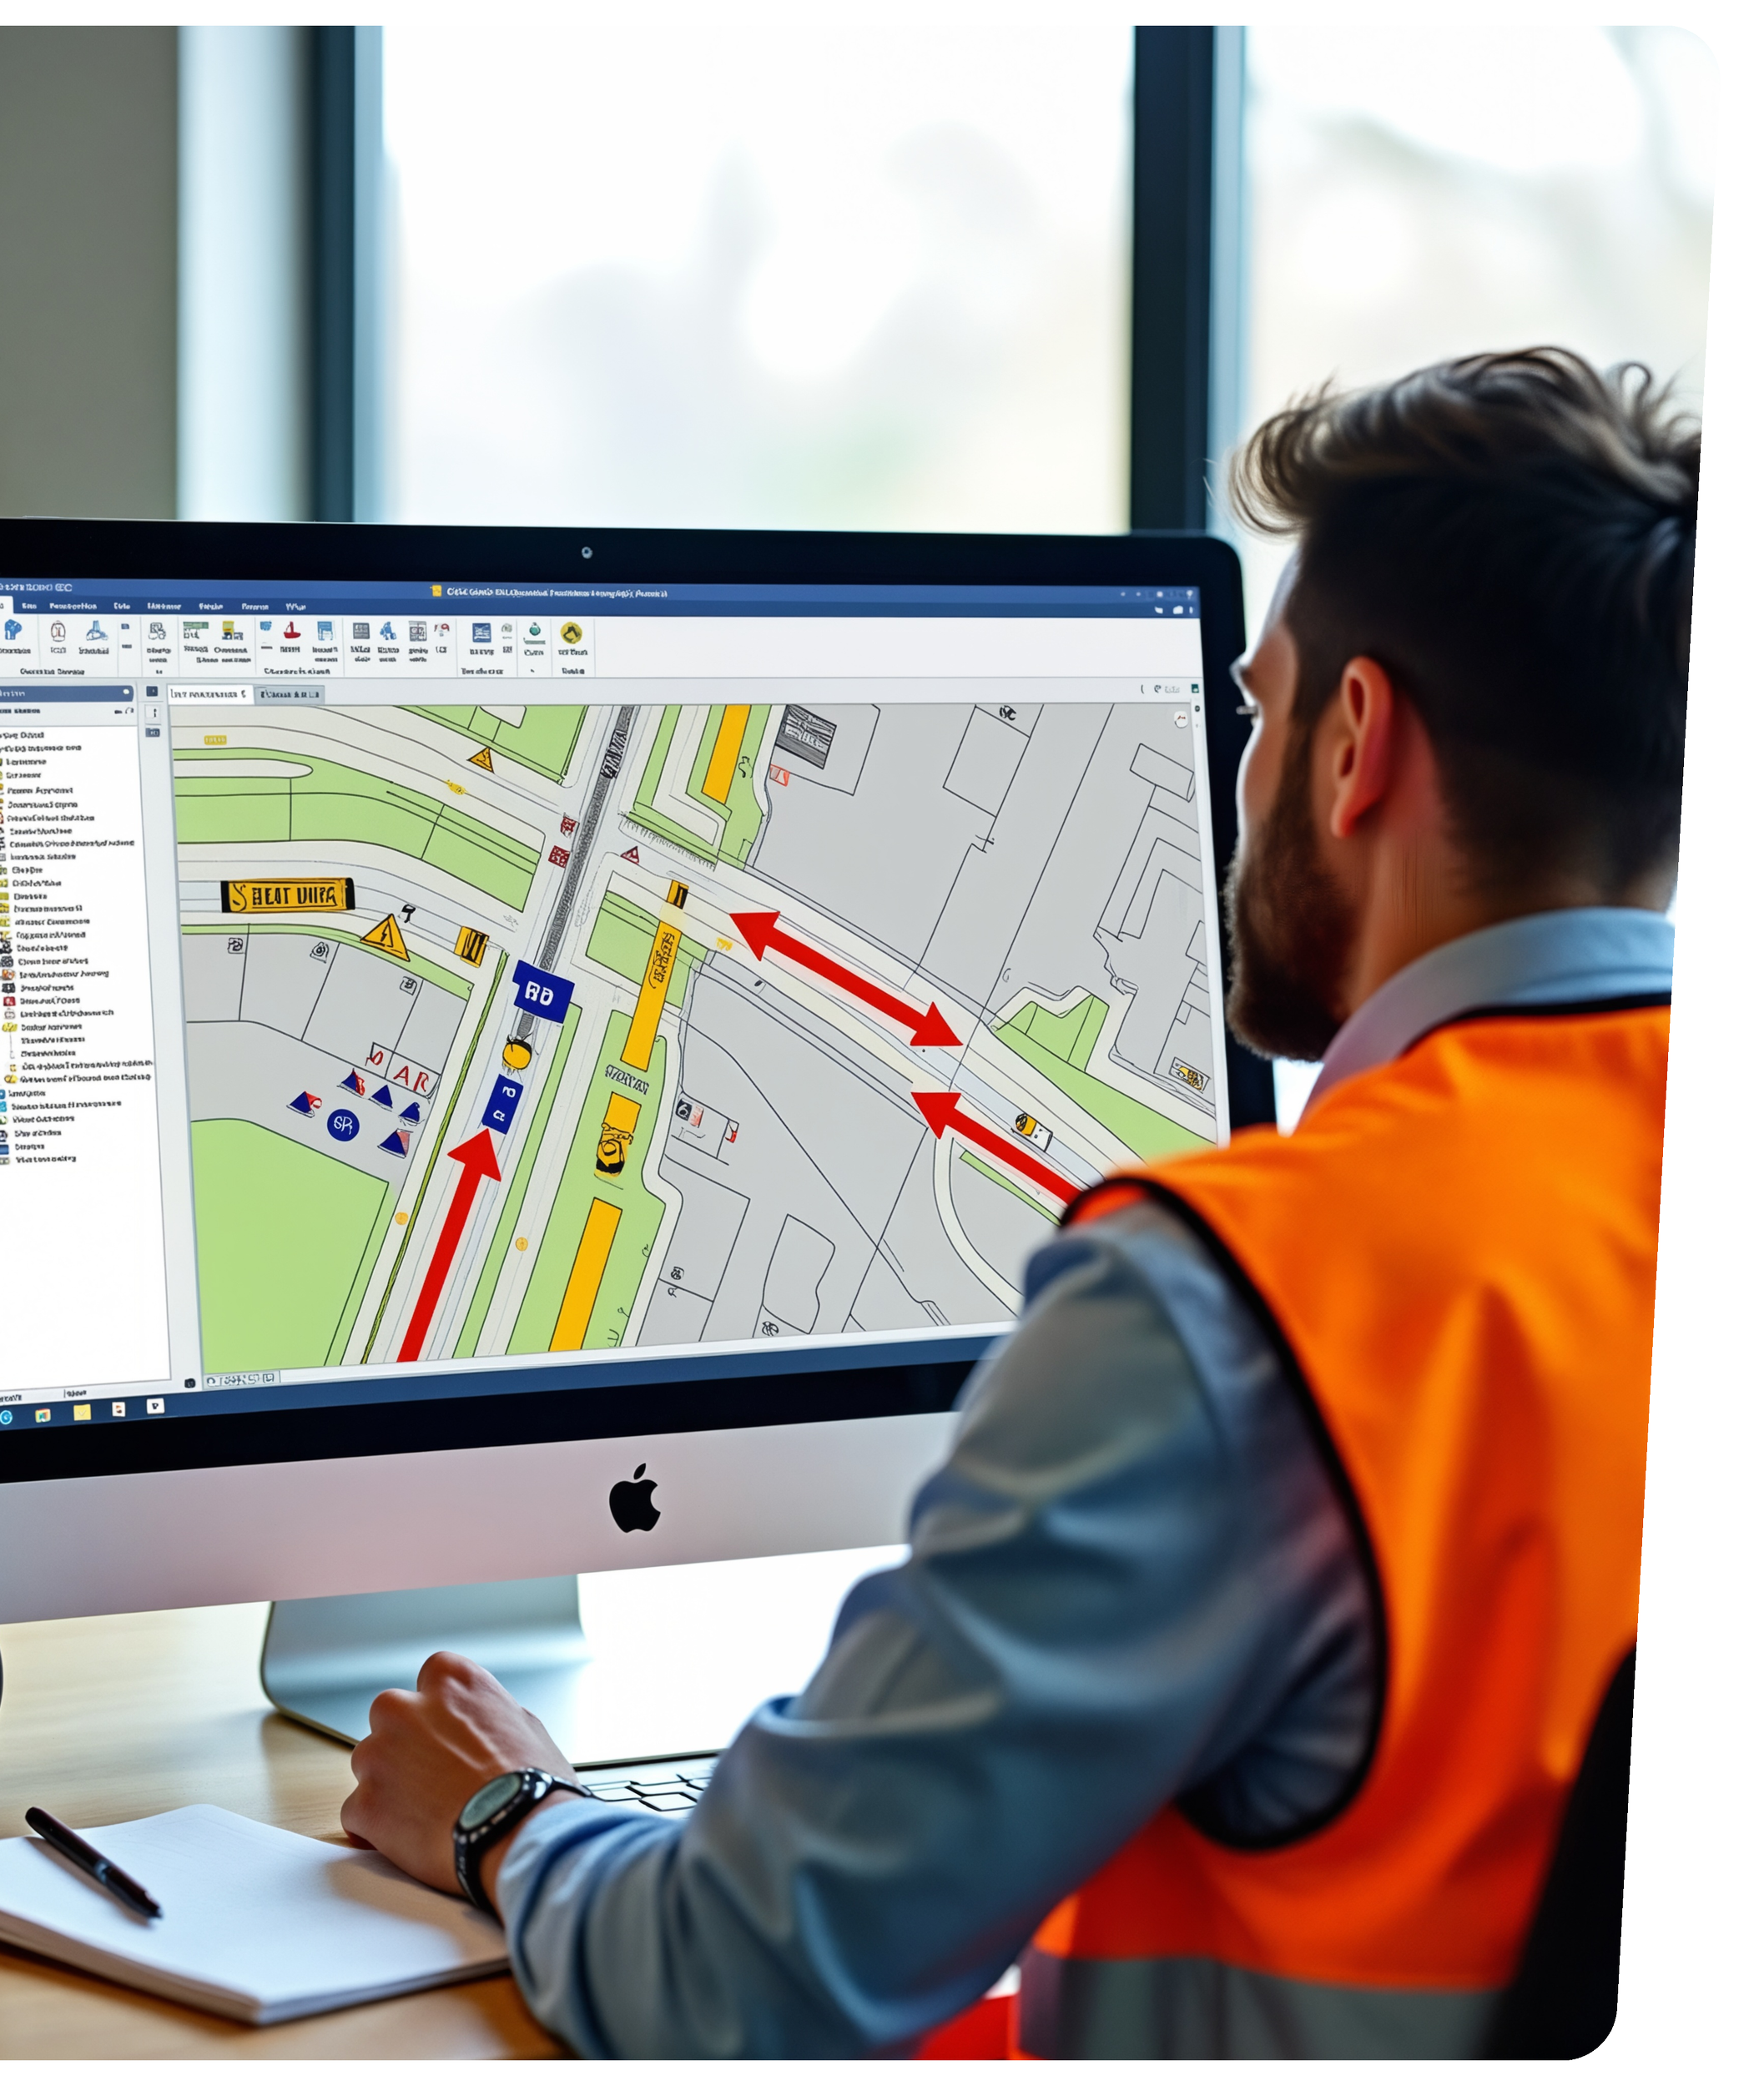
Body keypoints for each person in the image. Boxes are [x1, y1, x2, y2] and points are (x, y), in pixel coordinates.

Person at [339, 349, 1696, 2060]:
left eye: (1261, 708)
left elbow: (737, 1971)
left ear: (1356, 745)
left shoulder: (1232, 1300)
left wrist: (507, 1813)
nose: (1245, 767)